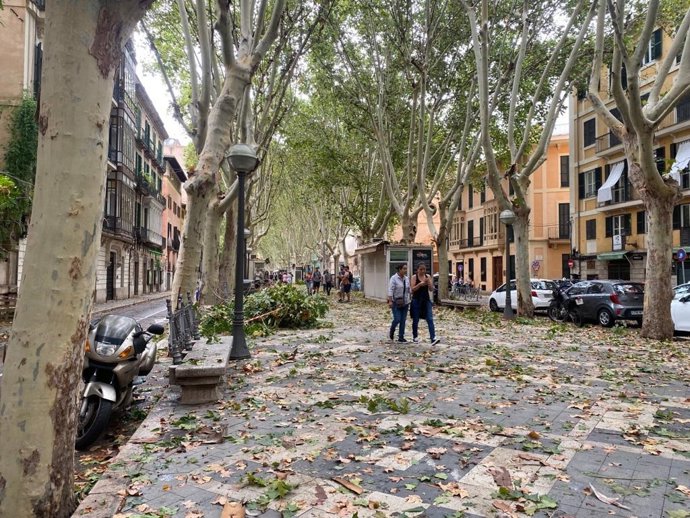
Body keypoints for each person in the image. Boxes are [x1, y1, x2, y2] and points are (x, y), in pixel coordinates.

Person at [410, 264, 440, 346]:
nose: (423, 271)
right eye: (421, 269)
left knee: (430, 318)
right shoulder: (414, 277)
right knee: (416, 319)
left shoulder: (428, 276)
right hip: (416, 300)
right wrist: (420, 285)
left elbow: (431, 289)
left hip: (426, 300)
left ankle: (433, 337)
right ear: (417, 270)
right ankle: (415, 336)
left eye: (424, 269)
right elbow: (412, 290)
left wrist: (429, 283)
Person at [387, 264, 410, 343]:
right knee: (397, 319)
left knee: (403, 320)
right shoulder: (394, 278)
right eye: (404, 269)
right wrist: (390, 301)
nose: (405, 270)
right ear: (399, 269)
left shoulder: (406, 279)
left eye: (406, 269)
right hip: (396, 302)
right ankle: (392, 330)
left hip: (405, 302)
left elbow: (408, 290)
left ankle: (401, 336)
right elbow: (390, 290)